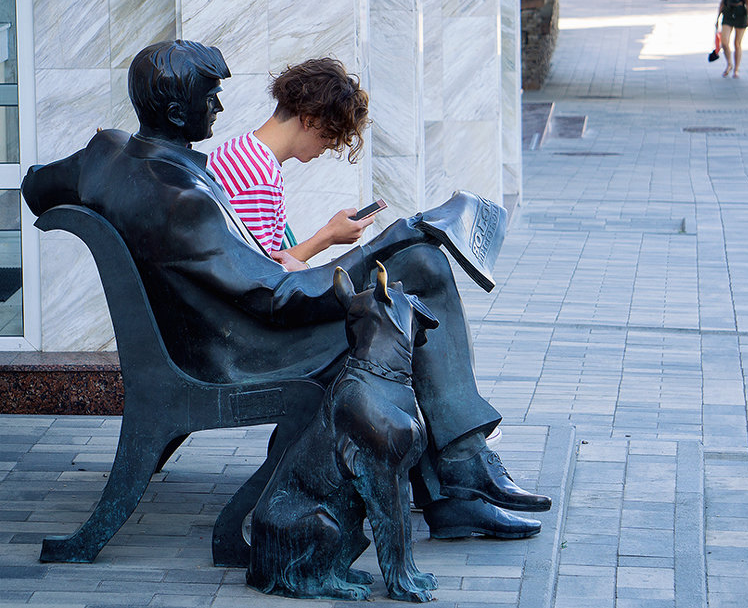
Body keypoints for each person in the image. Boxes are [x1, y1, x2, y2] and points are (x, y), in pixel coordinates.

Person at [21, 40, 549, 541]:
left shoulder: (109, 155)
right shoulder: (183, 201)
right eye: (211, 98)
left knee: (417, 270)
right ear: (179, 114)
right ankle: (463, 473)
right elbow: (274, 297)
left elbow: (36, 185)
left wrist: (100, 160)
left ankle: (462, 476)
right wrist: (390, 241)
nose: (221, 108)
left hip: (223, 328)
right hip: (239, 353)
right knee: (417, 271)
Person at [208, 58, 371, 271]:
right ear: (309, 119)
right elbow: (259, 277)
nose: (328, 146)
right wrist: (328, 236)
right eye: (330, 135)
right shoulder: (260, 177)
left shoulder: (242, 149)